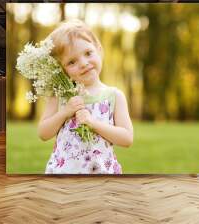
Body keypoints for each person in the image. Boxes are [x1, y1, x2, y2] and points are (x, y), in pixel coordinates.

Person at [38, 20, 133, 174]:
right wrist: (64, 112)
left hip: (102, 173)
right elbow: (43, 133)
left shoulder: (114, 96)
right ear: (62, 69)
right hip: (64, 174)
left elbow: (127, 138)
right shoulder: (60, 96)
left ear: (99, 50)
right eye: (71, 62)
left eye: (88, 53)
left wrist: (93, 123)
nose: (83, 63)